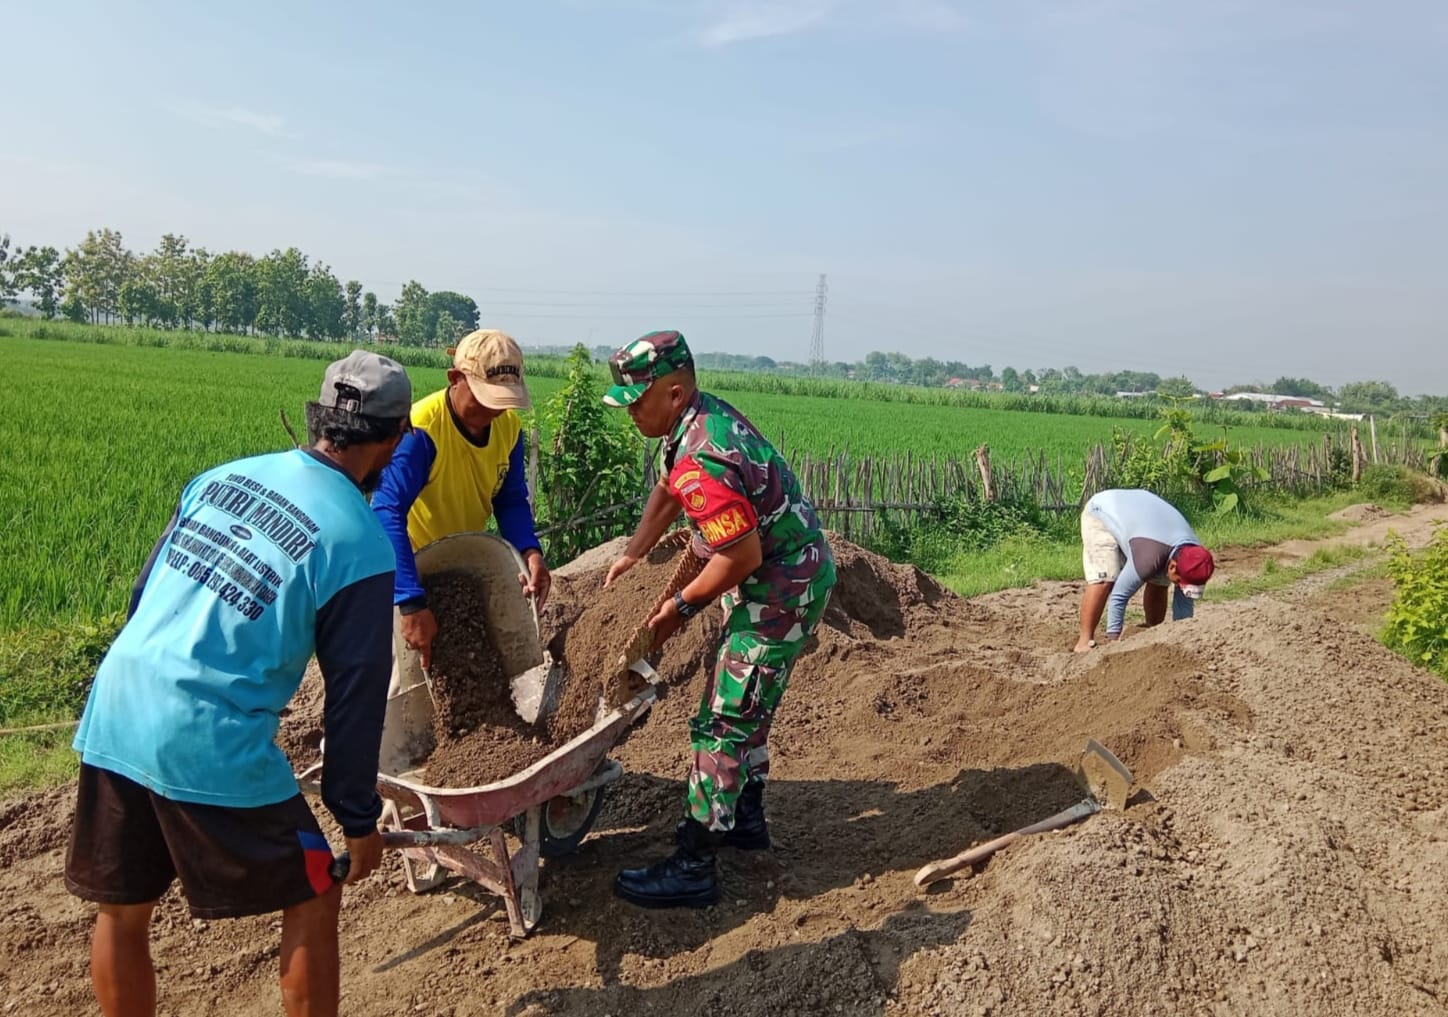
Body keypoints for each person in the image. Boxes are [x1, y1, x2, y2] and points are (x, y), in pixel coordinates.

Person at [65, 350, 413, 1017]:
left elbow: (144, 597)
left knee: (124, 907)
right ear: (393, 439)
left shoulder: (222, 476)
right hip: (205, 733)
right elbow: (356, 694)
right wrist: (356, 817)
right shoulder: (360, 541)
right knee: (315, 890)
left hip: (117, 702)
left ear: (321, 417)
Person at [601, 329, 836, 909]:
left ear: (675, 393)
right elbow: (668, 487)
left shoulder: (705, 451)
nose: (630, 411)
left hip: (779, 590)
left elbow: (740, 557)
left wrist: (674, 613)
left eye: (637, 399)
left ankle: (695, 862)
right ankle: (746, 820)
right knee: (747, 704)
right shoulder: (695, 427)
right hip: (778, 576)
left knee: (722, 716)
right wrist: (634, 550)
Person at [371, 329, 550, 670]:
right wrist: (409, 602)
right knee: (403, 674)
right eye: (485, 398)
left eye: (502, 400)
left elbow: (510, 499)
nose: (494, 410)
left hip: (462, 570)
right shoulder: (422, 431)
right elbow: (385, 510)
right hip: (408, 567)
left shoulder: (509, 429)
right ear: (455, 378)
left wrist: (529, 551)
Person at [1074, 487, 1216, 652]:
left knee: (1160, 580)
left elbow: (1184, 607)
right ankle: (1084, 642)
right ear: (1172, 566)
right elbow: (1119, 596)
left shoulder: (1195, 557)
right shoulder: (1149, 556)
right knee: (1105, 578)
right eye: (1180, 581)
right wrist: (1113, 642)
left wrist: (1181, 639)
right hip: (1103, 512)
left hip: (1145, 517)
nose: (1181, 586)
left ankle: (1152, 631)